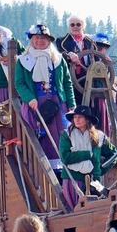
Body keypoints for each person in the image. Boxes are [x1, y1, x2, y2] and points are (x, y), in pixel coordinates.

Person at [15, 23, 76, 178]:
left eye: (43, 38)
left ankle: (62, 170)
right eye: (36, 38)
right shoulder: (23, 60)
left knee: (61, 134)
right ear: (31, 40)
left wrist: (71, 104)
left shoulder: (57, 59)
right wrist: (30, 99)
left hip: (57, 103)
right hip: (36, 104)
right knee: (41, 136)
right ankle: (42, 169)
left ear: (48, 40)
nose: (39, 41)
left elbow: (67, 82)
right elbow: (19, 83)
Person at [59, 105, 116, 212]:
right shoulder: (66, 135)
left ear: (87, 119)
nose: (76, 119)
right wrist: (87, 154)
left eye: (80, 117)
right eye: (75, 117)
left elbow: (113, 155)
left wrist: (100, 170)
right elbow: (65, 157)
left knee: (94, 211)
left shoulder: (99, 136)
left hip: (93, 182)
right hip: (72, 180)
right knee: (75, 211)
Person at [55, 14, 97, 107]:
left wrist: (105, 59)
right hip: (69, 78)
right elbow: (58, 54)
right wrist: (69, 54)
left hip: (87, 80)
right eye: (72, 25)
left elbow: (96, 60)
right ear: (69, 27)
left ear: (83, 26)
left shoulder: (90, 43)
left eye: (78, 24)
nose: (75, 27)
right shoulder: (61, 41)